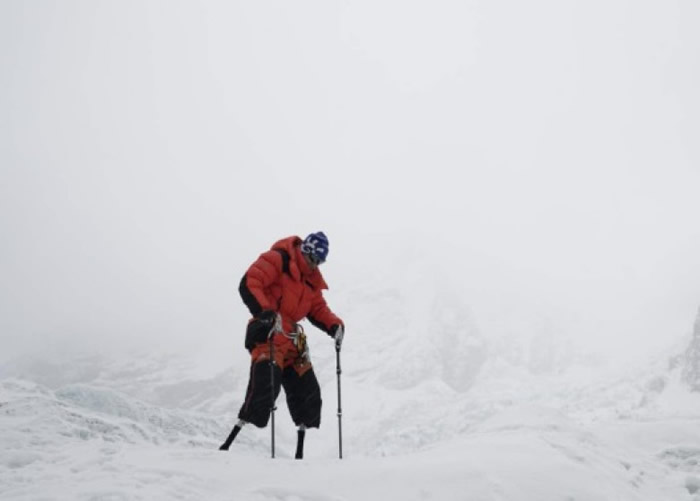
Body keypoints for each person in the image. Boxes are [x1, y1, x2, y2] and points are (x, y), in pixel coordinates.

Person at [219, 231, 345, 458]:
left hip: (293, 338)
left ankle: (300, 454)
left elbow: (318, 309)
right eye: (313, 259)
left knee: (308, 392)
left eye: (320, 261)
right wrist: (264, 311)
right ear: (305, 250)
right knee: (266, 385)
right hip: (268, 329)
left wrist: (334, 325)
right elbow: (250, 281)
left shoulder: (311, 282)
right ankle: (229, 444)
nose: (315, 265)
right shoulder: (278, 259)